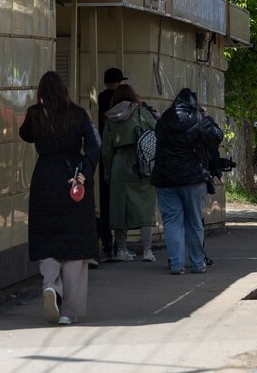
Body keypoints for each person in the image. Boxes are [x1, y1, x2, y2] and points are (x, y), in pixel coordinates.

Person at [18, 71, 101, 325]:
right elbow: (95, 144)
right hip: (73, 180)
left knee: (47, 238)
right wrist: (85, 173)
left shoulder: (35, 114)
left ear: (41, 92)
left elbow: (25, 135)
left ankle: (51, 285)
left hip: (44, 179)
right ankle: (69, 311)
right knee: (75, 247)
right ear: (64, 90)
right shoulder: (78, 114)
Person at [151, 89, 224, 275]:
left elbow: (157, 137)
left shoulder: (166, 118)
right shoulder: (199, 118)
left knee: (172, 222)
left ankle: (176, 265)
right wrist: (207, 117)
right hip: (193, 179)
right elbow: (217, 136)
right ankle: (198, 264)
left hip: (165, 178)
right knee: (194, 222)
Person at [101, 83, 158, 263]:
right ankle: (148, 250)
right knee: (145, 205)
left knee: (119, 208)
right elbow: (155, 132)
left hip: (119, 163)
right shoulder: (142, 112)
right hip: (140, 162)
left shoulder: (110, 117)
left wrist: (108, 173)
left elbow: (106, 150)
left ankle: (121, 250)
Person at [96, 67, 127, 263]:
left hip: (104, 154)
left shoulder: (101, 100)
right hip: (123, 157)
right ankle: (120, 245)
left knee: (105, 201)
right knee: (122, 202)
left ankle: (107, 244)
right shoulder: (125, 104)